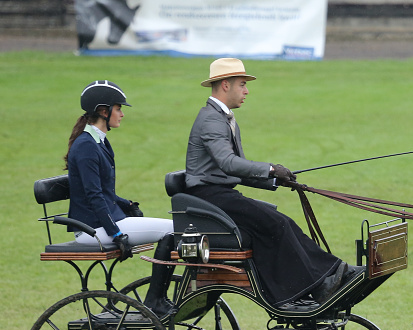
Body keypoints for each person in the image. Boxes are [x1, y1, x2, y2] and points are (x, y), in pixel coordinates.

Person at [184, 58, 360, 306]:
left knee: (282, 222)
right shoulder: (212, 120)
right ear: (225, 85)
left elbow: (237, 171)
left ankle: (328, 275)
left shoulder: (222, 118)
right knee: (276, 224)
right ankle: (319, 283)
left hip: (219, 194)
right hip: (210, 197)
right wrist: (270, 169)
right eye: (242, 84)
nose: (246, 91)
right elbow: (228, 163)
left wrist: (276, 180)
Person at [65, 80, 175, 316]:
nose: (122, 114)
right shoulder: (86, 146)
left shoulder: (99, 142)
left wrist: (127, 205)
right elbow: (94, 196)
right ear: (103, 112)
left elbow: (104, 192)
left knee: (173, 229)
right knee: (172, 231)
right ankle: (155, 299)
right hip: (91, 230)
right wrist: (116, 233)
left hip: (104, 222)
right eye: (118, 108)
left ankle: (158, 297)